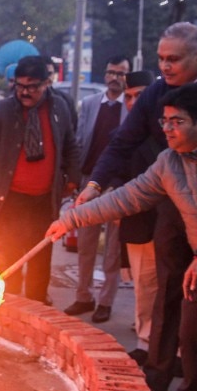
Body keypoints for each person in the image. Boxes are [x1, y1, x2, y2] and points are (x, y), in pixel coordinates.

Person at [48, 82, 197, 391]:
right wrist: (72, 220)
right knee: (193, 346)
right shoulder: (169, 162)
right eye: (164, 122)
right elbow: (127, 197)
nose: (167, 129)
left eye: (176, 122)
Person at [77, 22, 197, 391]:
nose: (165, 66)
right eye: (161, 59)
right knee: (169, 291)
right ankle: (159, 372)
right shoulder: (155, 95)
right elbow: (123, 142)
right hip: (171, 200)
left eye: (174, 59)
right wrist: (94, 185)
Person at [0, 55, 80, 332]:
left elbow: (70, 146)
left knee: (39, 271)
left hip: (43, 205)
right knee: (3, 268)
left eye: (32, 87)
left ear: (47, 83)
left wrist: (74, 180)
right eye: (20, 86)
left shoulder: (60, 108)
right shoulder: (0, 111)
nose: (25, 92)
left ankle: (32, 331)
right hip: (7, 205)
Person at [64, 55, 132, 324]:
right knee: (85, 244)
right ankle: (84, 296)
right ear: (105, 75)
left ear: (127, 76)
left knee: (112, 250)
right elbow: (79, 141)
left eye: (121, 73)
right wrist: (76, 179)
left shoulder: (132, 107)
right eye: (111, 72)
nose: (115, 78)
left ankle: (105, 302)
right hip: (89, 181)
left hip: (118, 186)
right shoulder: (91, 103)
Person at [118, 70, 160, 363]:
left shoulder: (167, 130)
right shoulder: (125, 136)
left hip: (172, 222)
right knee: (144, 287)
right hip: (138, 222)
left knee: (173, 290)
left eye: (140, 95)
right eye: (129, 97)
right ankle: (145, 343)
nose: (134, 102)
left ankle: (175, 349)